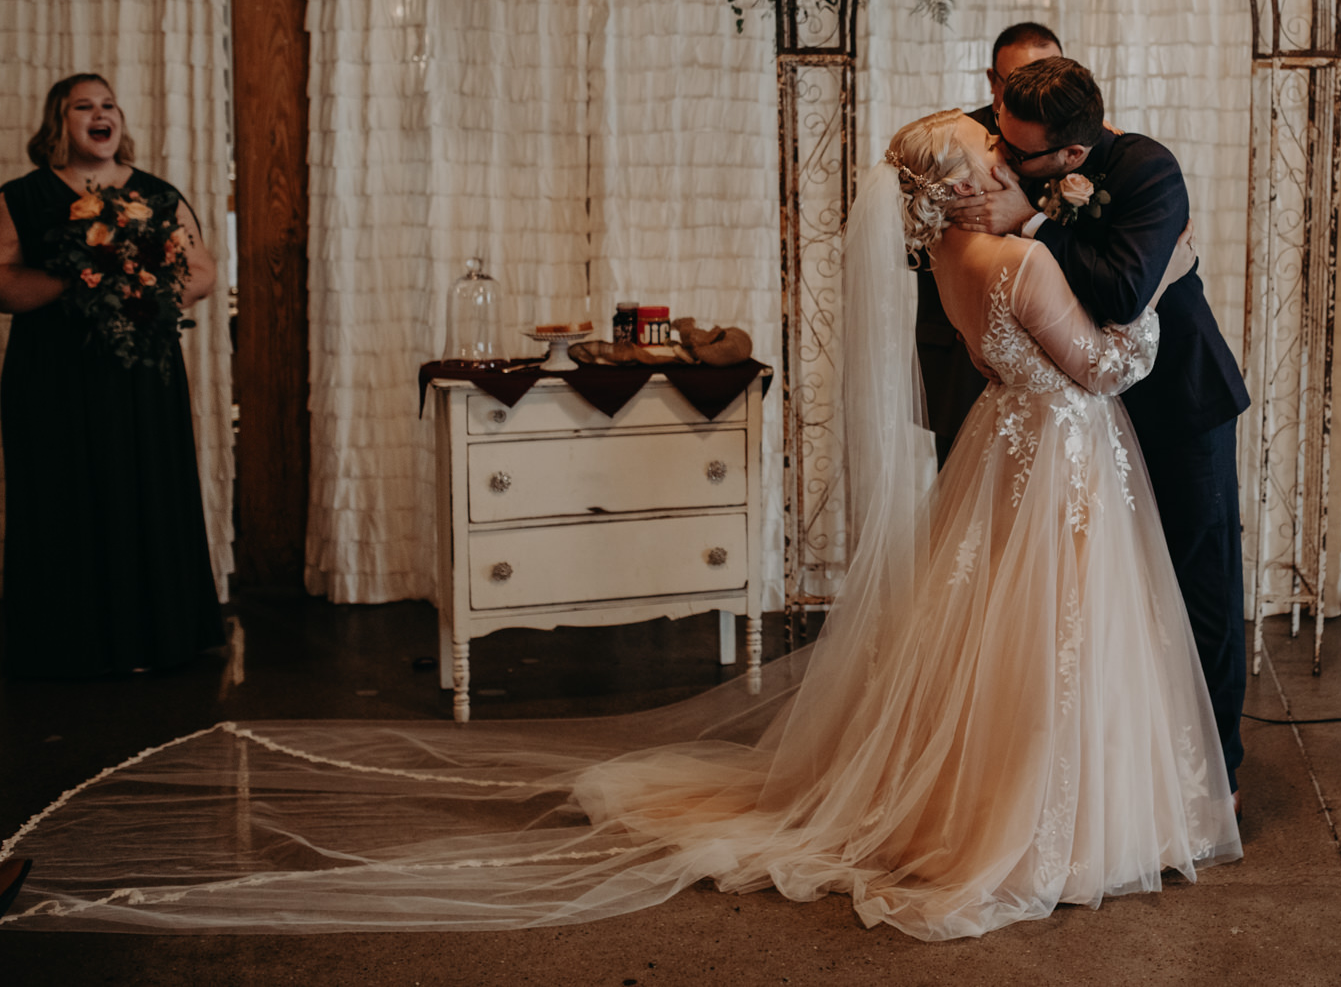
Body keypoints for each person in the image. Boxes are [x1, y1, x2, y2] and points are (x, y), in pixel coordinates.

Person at [1, 109, 1239, 939]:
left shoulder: (956, 263)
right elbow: (1093, 370)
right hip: (1063, 451)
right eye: (991, 153)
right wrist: (1157, 304)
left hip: (1002, 462)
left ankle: (1013, 797)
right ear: (971, 180)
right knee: (1065, 634)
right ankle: (1054, 823)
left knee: (999, 641)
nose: (1009, 165)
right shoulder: (1018, 263)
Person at [947, 57, 1253, 800]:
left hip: (1177, 404)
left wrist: (1033, 221)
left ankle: (1218, 775)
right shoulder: (1020, 142)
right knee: (1097, 598)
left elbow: (1121, 291)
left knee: (1196, 581)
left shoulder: (1151, 172)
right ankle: (1115, 774)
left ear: (1073, 156)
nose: (1002, 157)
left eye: (1018, 152)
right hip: (1083, 414)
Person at [0, 73, 222, 679]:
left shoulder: (156, 193)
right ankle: (64, 645)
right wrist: (80, 278)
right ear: (59, 123)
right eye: (83, 107)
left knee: (144, 487)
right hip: (50, 378)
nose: (101, 114)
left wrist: (136, 282)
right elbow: (3, 284)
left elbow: (201, 271)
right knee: (59, 493)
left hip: (139, 375)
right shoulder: (22, 195)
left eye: (108, 104)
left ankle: (158, 636)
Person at [915, 21, 1062, 465]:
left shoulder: (1078, 141)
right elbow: (922, 237)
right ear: (992, 82)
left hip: (1053, 358)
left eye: (1050, 76)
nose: (1037, 93)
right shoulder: (957, 142)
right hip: (966, 353)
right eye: (1019, 81)